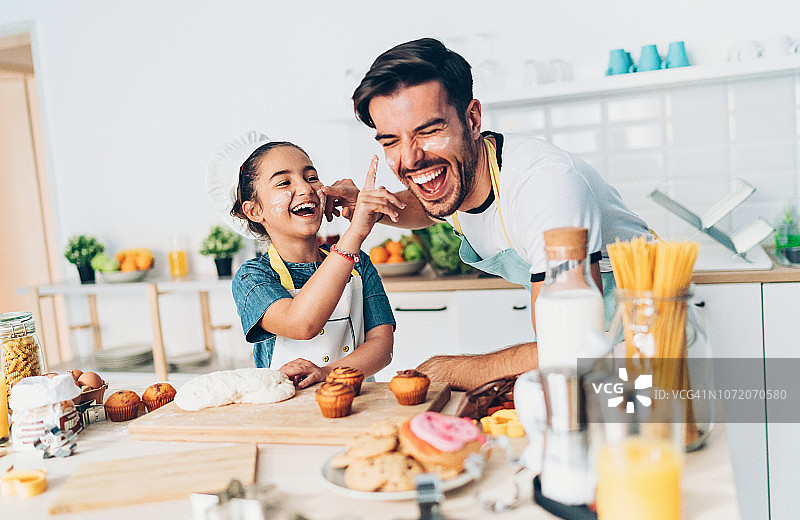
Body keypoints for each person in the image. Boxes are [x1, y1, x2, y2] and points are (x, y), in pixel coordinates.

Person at [322, 38, 650, 390]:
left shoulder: (544, 185)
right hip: (588, 362)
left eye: (429, 131)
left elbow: (568, 344)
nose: (410, 158)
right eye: (391, 141)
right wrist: (369, 206)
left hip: (649, 347)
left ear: (472, 119)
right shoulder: (460, 176)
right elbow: (430, 205)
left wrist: (448, 370)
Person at [230, 141, 402, 388]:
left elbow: (382, 346)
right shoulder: (253, 277)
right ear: (255, 211)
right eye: (283, 182)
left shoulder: (359, 263)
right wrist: (355, 233)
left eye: (311, 177)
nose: (305, 188)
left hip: (358, 404)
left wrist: (327, 373)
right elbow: (301, 324)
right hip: (287, 412)